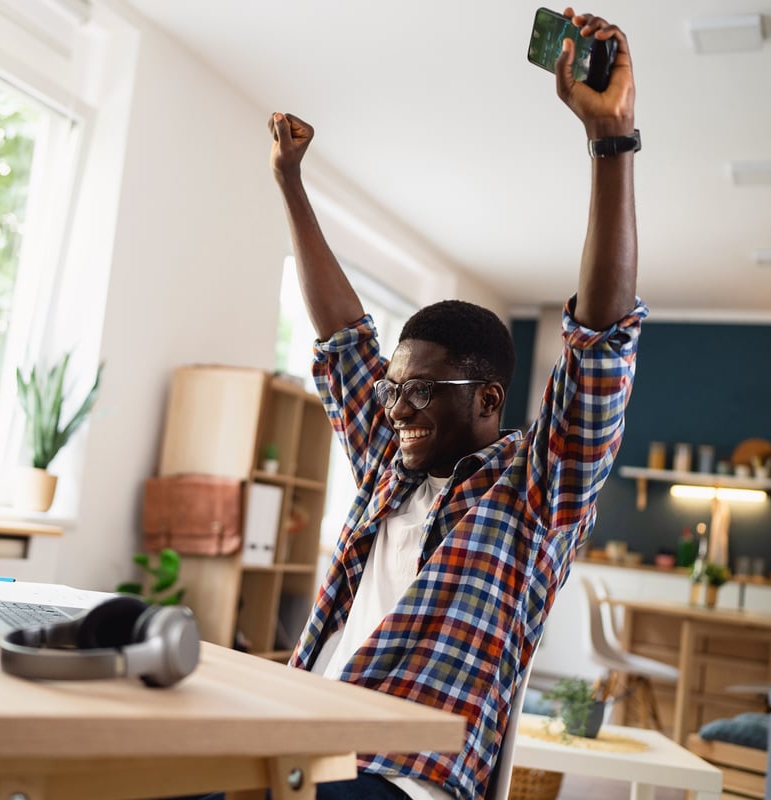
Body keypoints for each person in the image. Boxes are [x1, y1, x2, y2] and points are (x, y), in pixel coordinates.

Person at [260, 9, 645, 800]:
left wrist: (611, 145)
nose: (396, 407)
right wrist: (292, 185)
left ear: (488, 400)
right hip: (294, 741)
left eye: (420, 390)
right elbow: (342, 336)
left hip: (399, 779)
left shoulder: (537, 494)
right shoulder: (388, 467)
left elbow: (601, 341)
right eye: (394, 389)